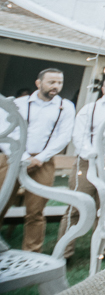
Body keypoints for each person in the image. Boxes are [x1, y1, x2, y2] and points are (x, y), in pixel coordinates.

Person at [57, 73, 105, 260]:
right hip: (87, 163)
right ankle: (64, 252)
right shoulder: (90, 109)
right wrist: (95, 156)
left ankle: (103, 251)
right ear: (103, 89)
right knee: (76, 206)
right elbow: (78, 136)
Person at [11, 69, 75, 251]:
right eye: (51, 82)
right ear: (38, 83)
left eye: (59, 83)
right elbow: (9, 131)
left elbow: (63, 137)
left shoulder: (66, 106)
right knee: (1, 202)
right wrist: (23, 158)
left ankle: (31, 252)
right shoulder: (18, 104)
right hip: (13, 158)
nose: (56, 86)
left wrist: (39, 158)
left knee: (36, 211)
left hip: (44, 162)